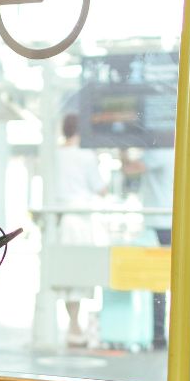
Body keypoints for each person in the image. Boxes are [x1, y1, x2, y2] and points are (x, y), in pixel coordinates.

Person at [53, 114, 107, 347]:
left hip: (60, 219)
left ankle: (73, 325)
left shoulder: (54, 155)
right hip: (82, 221)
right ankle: (76, 327)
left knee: (66, 273)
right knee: (81, 273)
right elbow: (100, 188)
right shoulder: (86, 155)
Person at [121, 146, 173, 350]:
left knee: (158, 282)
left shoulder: (161, 152)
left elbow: (131, 168)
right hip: (165, 224)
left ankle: (158, 335)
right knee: (161, 282)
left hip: (160, 226)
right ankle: (159, 334)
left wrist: (123, 150)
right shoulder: (170, 151)